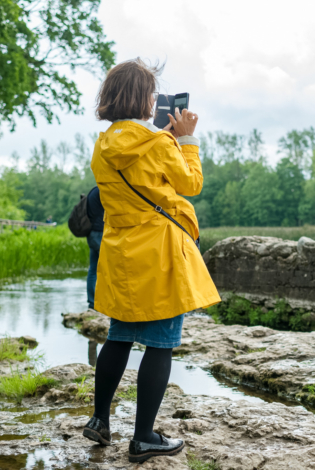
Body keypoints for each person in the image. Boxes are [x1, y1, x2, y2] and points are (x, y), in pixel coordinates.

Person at [82, 58, 221, 463]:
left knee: (120, 337)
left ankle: (99, 420)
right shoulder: (160, 143)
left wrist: (164, 138)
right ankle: (143, 437)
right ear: (144, 98)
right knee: (160, 343)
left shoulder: (104, 144)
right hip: (160, 252)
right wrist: (188, 139)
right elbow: (190, 184)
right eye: (151, 92)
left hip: (122, 252)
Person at [85, 186, 104, 311]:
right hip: (99, 232)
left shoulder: (92, 191)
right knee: (109, 267)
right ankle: (97, 303)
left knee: (93, 269)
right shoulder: (101, 190)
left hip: (92, 232)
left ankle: (92, 303)